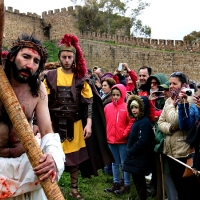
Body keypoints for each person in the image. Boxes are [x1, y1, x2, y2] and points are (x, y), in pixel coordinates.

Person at [44, 33, 113, 199]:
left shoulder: (81, 77)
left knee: (74, 161)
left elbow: (88, 102)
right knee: (51, 158)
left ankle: (74, 189)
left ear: (74, 58)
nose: (67, 60)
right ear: (59, 57)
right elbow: (44, 102)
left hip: (75, 125)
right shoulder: (50, 76)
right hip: (54, 125)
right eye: (64, 57)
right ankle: (53, 189)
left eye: (69, 57)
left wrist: (88, 124)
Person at [0, 33, 65, 199]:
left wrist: (53, 156)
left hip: (26, 163)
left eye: (36, 61)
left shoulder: (38, 89)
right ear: (12, 57)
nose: (30, 65)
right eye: (26, 57)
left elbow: (47, 131)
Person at [158, 72, 200, 200]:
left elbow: (179, 122)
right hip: (171, 151)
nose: (170, 86)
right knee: (179, 189)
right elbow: (160, 123)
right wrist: (170, 128)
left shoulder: (189, 99)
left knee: (187, 190)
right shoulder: (169, 100)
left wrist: (171, 105)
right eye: (170, 83)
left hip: (184, 152)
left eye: (174, 83)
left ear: (183, 85)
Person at [104, 84, 133, 196]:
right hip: (111, 140)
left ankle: (126, 184)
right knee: (114, 163)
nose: (115, 97)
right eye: (113, 95)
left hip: (123, 141)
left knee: (124, 163)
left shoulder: (126, 107)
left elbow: (131, 121)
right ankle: (116, 182)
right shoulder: (107, 107)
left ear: (123, 95)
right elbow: (105, 122)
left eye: (118, 95)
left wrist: (125, 133)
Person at [123, 95, 154, 200]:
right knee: (137, 181)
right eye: (132, 108)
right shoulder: (138, 120)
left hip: (139, 158)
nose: (134, 110)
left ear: (142, 108)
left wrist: (131, 151)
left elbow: (143, 140)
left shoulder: (144, 122)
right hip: (135, 158)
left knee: (140, 182)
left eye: (136, 107)